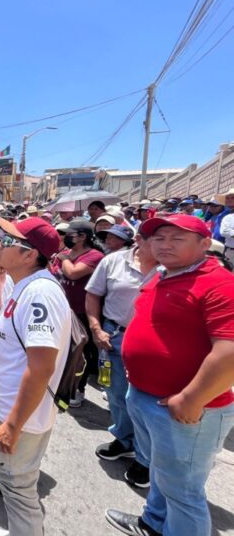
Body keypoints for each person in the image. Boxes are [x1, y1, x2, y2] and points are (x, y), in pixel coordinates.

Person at [106, 214, 234, 536]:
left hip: (187, 407)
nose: (164, 245)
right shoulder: (162, 274)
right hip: (147, 396)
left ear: (205, 244)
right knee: (163, 475)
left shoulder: (220, 284)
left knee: (184, 494)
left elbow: (230, 351)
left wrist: (190, 400)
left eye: (177, 238)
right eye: (158, 238)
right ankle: (153, 523)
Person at [0, 217, 71, 536]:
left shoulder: (41, 293)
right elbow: (2, 327)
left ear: (30, 254)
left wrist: (14, 424)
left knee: (19, 492)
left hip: (19, 417)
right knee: (9, 481)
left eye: (8, 240)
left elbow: (42, 365)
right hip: (5, 406)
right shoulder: (24, 285)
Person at [85, 232, 157, 490]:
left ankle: (146, 459)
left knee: (145, 403)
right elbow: (93, 294)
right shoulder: (113, 261)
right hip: (113, 337)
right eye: (156, 238)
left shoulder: (172, 267)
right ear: (139, 238)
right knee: (116, 394)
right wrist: (96, 328)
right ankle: (123, 440)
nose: (163, 244)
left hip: (153, 345)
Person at [49, 219, 104, 407]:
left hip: (81, 312)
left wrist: (64, 260)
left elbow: (73, 273)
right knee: (59, 351)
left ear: (83, 237)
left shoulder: (94, 256)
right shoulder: (65, 253)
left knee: (80, 354)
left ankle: (78, 389)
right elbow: (53, 272)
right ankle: (59, 385)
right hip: (60, 308)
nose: (65, 238)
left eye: (69, 235)